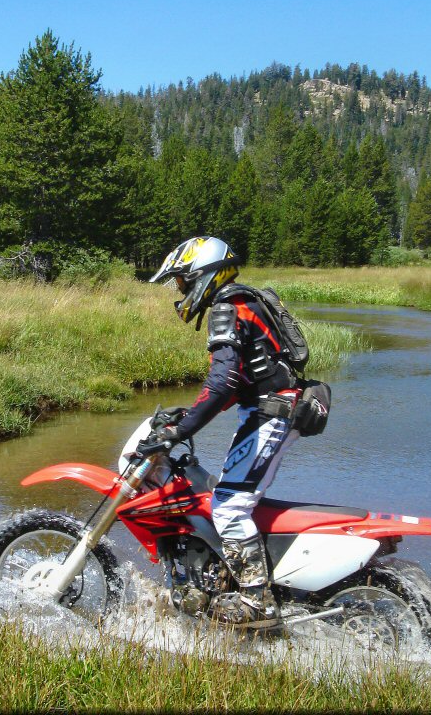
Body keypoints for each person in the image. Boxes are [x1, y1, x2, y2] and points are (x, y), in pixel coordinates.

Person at [148, 236, 302, 627]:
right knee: (229, 494)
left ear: (203, 275)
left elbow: (221, 384)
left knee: (230, 505)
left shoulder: (226, 308)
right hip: (270, 408)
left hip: (271, 414)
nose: (180, 291)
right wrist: (189, 413)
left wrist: (178, 431)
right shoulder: (245, 300)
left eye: (182, 282)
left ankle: (257, 602)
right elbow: (253, 377)